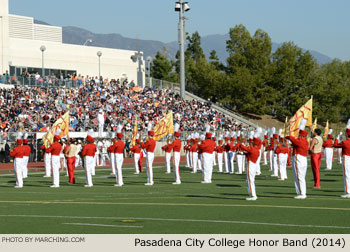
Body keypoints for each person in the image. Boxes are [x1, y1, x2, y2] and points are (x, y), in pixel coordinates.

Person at [286, 119, 309, 199]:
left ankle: (301, 193)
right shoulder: (305, 141)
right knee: (302, 177)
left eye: (299, 135)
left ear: (301, 136)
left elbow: (290, 138)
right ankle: (303, 192)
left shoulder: (300, 141)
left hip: (298, 158)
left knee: (298, 176)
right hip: (304, 159)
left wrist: (288, 133)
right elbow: (295, 142)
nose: (298, 136)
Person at [333, 121, 350, 198]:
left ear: (347, 134)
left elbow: (335, 145)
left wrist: (337, 138)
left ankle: (348, 192)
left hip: (347, 158)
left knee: (346, 175)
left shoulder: (345, 142)